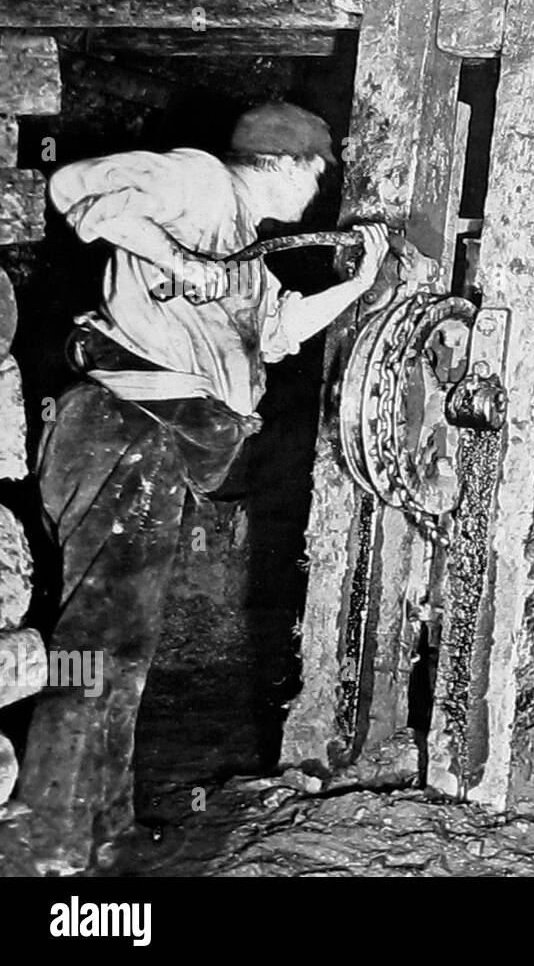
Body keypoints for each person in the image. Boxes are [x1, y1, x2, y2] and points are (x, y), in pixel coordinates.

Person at [18, 102, 388, 875]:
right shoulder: (202, 182)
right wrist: (177, 259)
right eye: (317, 173)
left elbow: (276, 336)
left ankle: (104, 835)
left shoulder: (247, 250)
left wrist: (359, 288)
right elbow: (76, 187)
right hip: (124, 428)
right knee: (96, 646)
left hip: (159, 442)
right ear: (286, 165)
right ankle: (46, 849)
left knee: (122, 653)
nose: (318, 190)